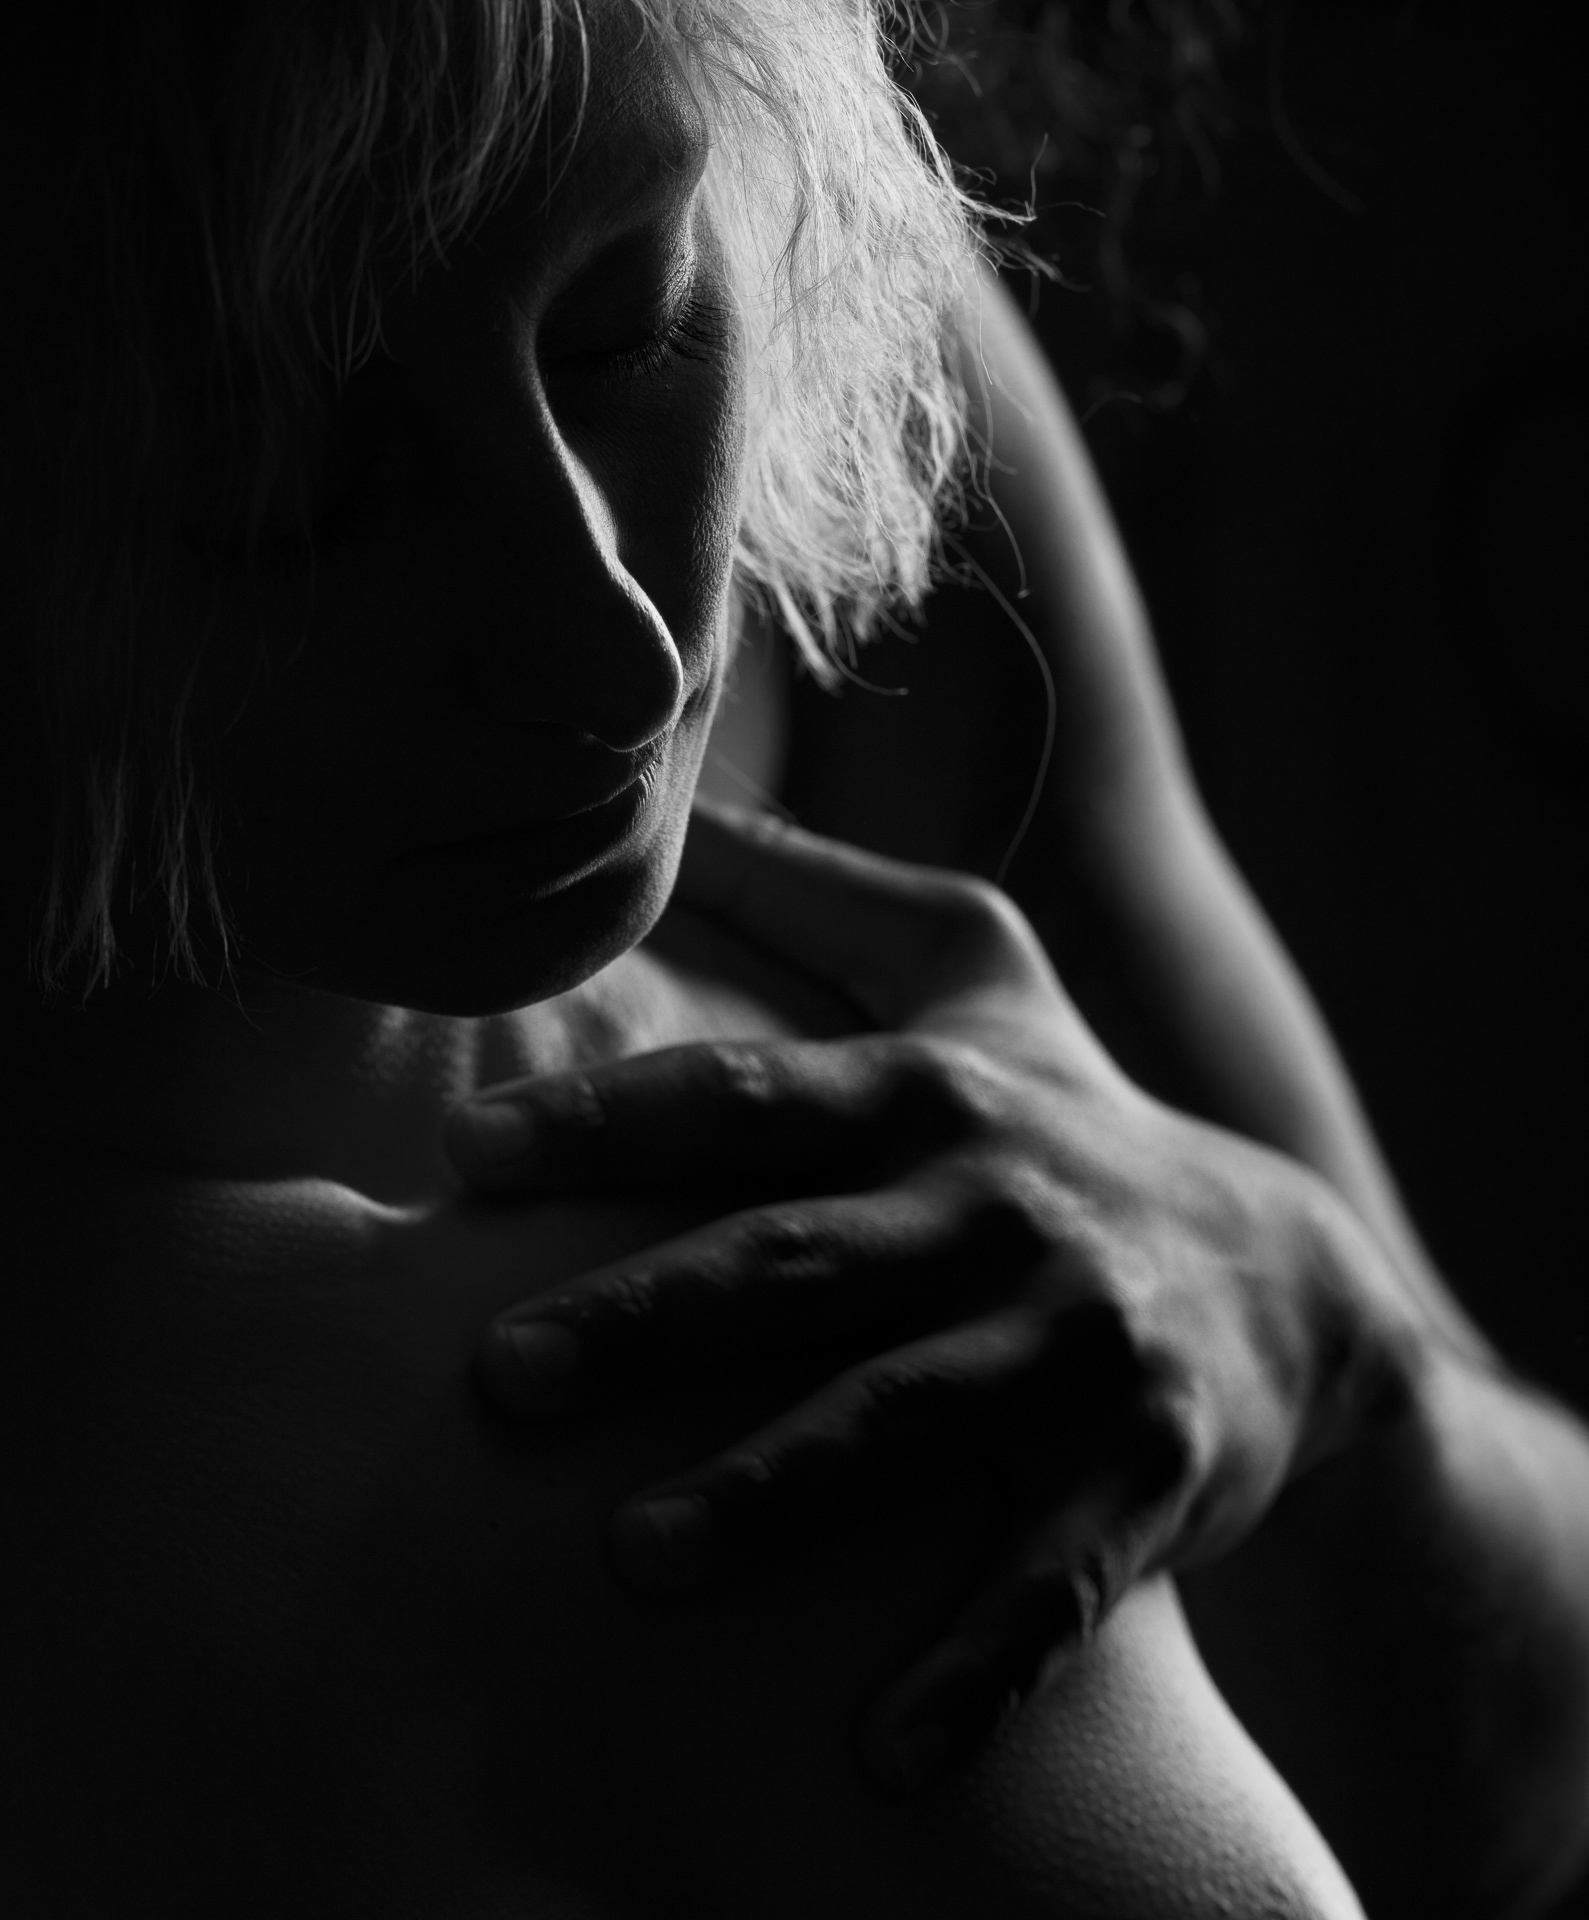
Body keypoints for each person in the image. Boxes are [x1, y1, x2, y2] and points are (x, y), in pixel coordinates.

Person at [3, 5, 1587, 1918]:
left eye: (625, 328)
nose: (617, 660)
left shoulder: (790, 263)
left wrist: (1318, 1339)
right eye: (277, 482)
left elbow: (1541, 1753)